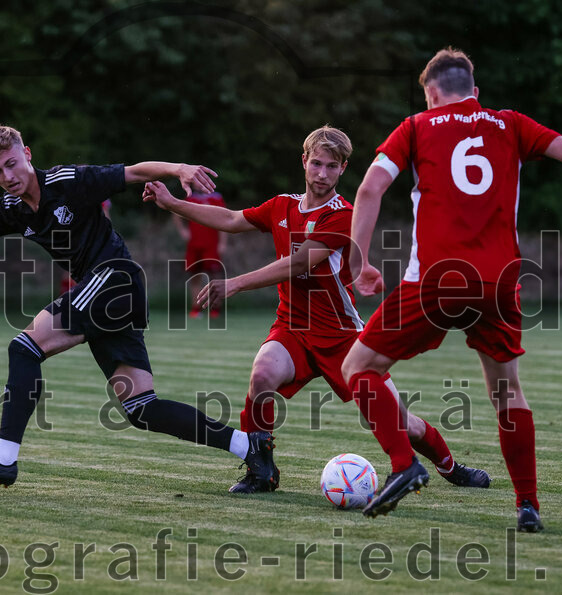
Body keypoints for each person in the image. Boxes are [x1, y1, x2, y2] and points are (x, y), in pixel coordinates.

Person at [0, 124, 276, 488]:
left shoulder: (68, 180)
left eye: (12, 165)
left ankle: (3, 459)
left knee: (24, 347)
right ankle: (250, 445)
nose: (7, 176)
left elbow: (133, 171)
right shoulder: (9, 209)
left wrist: (178, 169)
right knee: (141, 408)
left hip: (114, 279)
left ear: (28, 155)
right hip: (111, 293)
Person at [341, 48, 562, 530]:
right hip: (499, 283)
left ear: (431, 94)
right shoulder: (511, 124)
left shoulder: (416, 126)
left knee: (359, 369)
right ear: (474, 92)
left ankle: (404, 464)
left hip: (436, 281)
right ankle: (527, 505)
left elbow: (371, 188)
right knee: (508, 393)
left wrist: (359, 263)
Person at [143, 126, 490, 494]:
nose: (322, 174)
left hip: (341, 337)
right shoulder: (281, 206)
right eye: (317, 164)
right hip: (292, 328)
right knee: (262, 376)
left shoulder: (343, 215)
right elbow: (231, 220)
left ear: (343, 170)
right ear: (304, 162)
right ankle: (261, 470)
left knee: (403, 422)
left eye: (332, 167)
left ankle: (450, 467)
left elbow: (298, 263)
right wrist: (172, 203)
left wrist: (235, 283)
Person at [172, 192, 227, 318]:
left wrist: (223, 242)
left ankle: (215, 310)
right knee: (194, 277)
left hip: (211, 244)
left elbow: (226, 219)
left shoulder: (216, 199)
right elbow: (175, 212)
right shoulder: (190, 198)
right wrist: (183, 230)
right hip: (194, 244)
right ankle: (196, 309)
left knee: (215, 277)